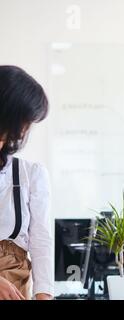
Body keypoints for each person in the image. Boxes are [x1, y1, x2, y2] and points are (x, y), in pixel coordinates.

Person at [0, 66, 53, 300]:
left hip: (16, 285)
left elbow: (41, 241)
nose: (25, 130)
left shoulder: (30, 174)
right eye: (25, 120)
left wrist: (44, 294)